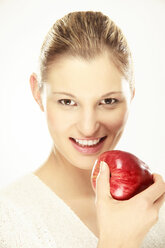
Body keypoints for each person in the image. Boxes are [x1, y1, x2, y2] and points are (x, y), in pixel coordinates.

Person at [0, 10, 165, 248]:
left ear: (131, 94)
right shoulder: (7, 222)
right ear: (37, 93)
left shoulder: (154, 207)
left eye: (108, 101)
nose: (88, 128)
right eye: (68, 102)